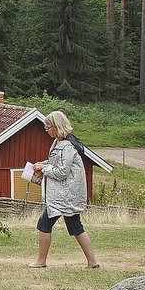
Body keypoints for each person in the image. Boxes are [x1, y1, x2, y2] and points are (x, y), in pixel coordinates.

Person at [29, 111, 99, 269]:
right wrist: (44, 163)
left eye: (48, 127)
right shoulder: (62, 142)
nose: (46, 131)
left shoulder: (66, 146)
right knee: (75, 227)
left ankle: (41, 261)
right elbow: (58, 162)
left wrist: (44, 168)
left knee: (44, 224)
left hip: (64, 195)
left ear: (56, 127)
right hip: (68, 196)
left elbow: (61, 172)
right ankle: (92, 262)